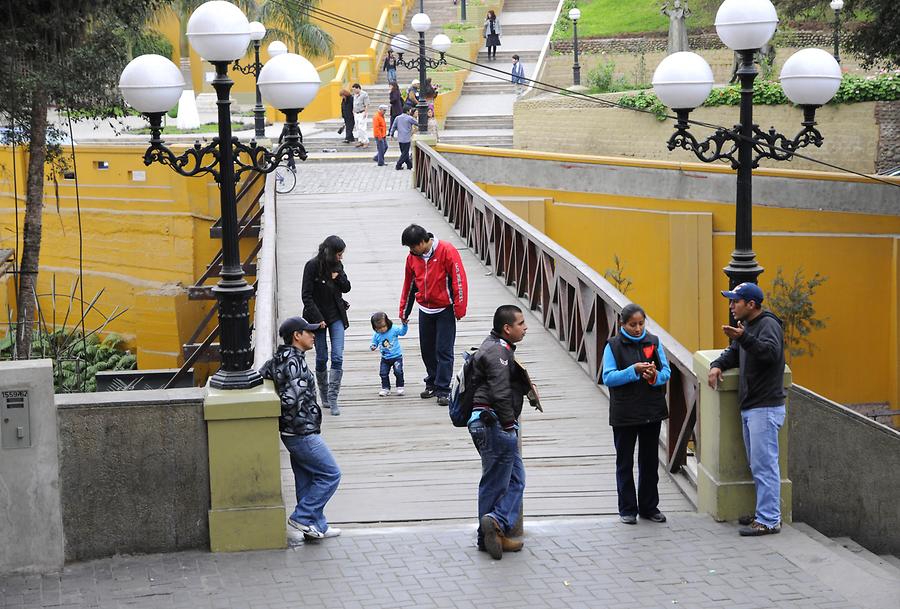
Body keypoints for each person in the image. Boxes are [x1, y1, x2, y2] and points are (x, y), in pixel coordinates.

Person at [708, 282, 787, 537]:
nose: (731, 306)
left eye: (735, 301)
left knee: (765, 466)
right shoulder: (749, 327)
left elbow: (771, 353)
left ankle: (769, 520)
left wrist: (744, 337)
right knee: (758, 465)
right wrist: (717, 364)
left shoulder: (768, 325)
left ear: (751, 304)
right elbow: (733, 354)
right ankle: (766, 512)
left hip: (764, 407)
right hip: (752, 406)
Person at [260, 316, 342, 541]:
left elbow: (261, 375)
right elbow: (291, 398)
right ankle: (303, 517)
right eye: (308, 332)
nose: (313, 335)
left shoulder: (279, 358)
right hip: (301, 432)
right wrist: (298, 414)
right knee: (330, 474)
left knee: (307, 480)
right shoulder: (295, 362)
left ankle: (317, 527)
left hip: (291, 431)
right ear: (297, 335)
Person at [468, 305, 538, 559]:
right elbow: (499, 392)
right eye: (520, 323)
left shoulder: (495, 346)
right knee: (494, 484)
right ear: (507, 329)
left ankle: (496, 528)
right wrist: (509, 426)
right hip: (494, 424)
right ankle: (490, 529)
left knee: (516, 479)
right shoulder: (498, 352)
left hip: (488, 422)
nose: (525, 327)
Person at [601, 304, 671, 526]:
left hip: (651, 410)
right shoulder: (613, 346)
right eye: (632, 325)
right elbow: (609, 377)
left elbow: (666, 372)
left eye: (641, 324)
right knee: (624, 461)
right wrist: (634, 371)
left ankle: (650, 507)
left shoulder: (654, 341)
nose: (638, 328)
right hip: (624, 412)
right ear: (623, 324)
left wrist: (654, 376)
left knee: (650, 461)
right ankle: (627, 508)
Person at [398, 224, 468, 406]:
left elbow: (459, 279)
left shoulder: (447, 251)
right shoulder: (413, 258)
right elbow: (409, 285)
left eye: (413, 247)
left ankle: (444, 389)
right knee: (427, 350)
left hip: (445, 309)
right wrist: (404, 311)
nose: (411, 251)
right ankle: (432, 382)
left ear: (423, 242)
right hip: (425, 309)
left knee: (444, 350)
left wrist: (460, 307)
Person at [301, 235, 351, 416]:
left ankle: (333, 397)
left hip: (336, 315)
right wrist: (318, 318)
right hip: (317, 318)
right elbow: (306, 296)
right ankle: (323, 394)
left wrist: (338, 279)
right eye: (339, 254)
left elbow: (347, 288)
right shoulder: (312, 266)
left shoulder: (338, 266)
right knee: (322, 357)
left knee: (337, 356)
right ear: (330, 253)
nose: (341, 258)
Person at [369, 311, 408, 397]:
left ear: (388, 323)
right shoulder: (377, 334)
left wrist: (404, 325)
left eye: (383, 326)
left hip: (396, 356)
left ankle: (400, 386)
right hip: (385, 358)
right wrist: (373, 346)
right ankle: (386, 388)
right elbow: (374, 342)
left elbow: (402, 332)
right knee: (383, 373)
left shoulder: (393, 329)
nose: (382, 329)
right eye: (378, 328)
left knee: (398, 372)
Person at [351, 83, 369, 147]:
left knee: (362, 128)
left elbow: (367, 104)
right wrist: (353, 111)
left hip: (362, 112)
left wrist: (365, 113)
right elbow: (354, 104)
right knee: (358, 128)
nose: (354, 91)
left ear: (358, 88)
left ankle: (365, 141)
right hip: (356, 113)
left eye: (354, 89)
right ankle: (360, 141)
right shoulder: (355, 95)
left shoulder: (364, 94)